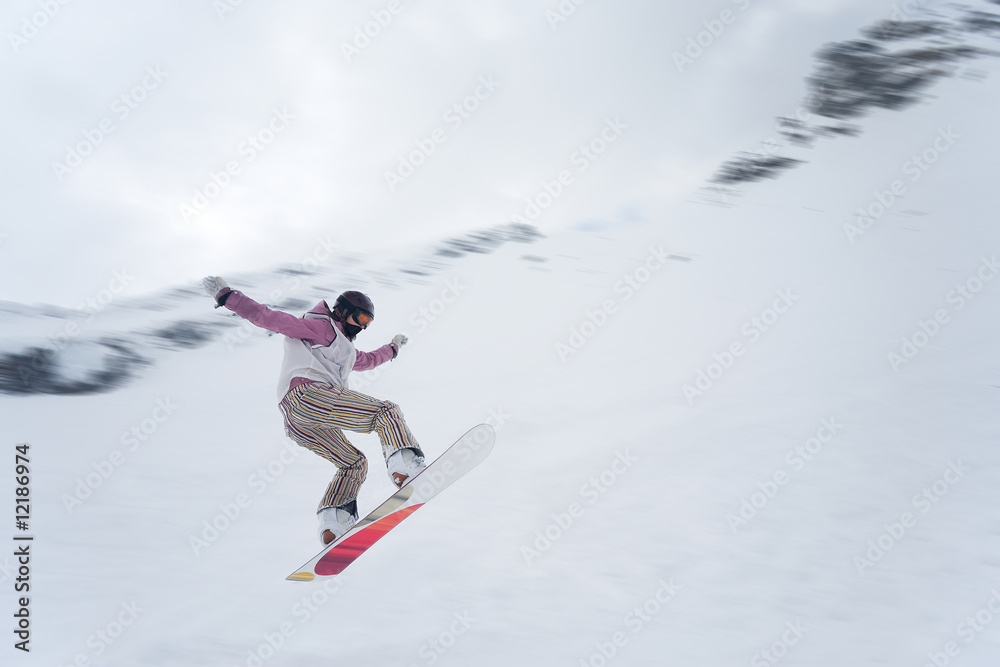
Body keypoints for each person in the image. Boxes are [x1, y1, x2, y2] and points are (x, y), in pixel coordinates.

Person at [201, 276, 426, 545]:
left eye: (367, 323)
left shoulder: (343, 347)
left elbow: (367, 361)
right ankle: (405, 467)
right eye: (360, 319)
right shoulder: (320, 328)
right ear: (342, 311)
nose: (361, 327)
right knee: (385, 412)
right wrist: (227, 296)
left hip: (297, 420)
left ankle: (334, 522)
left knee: (353, 463)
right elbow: (267, 317)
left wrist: (393, 347)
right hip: (309, 397)